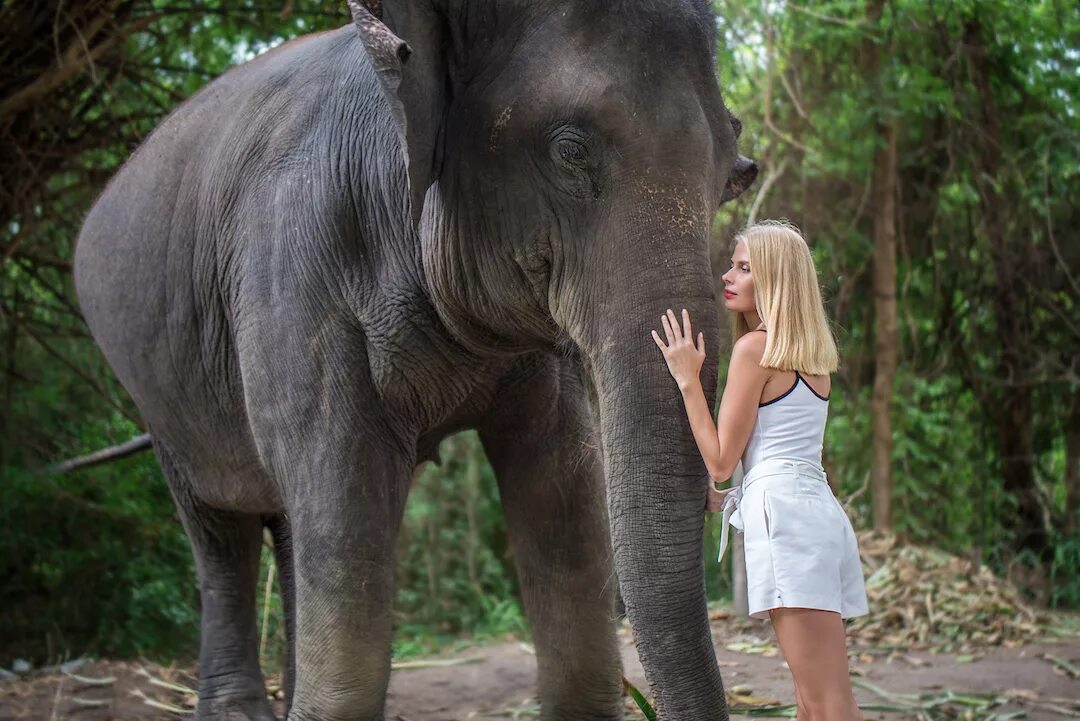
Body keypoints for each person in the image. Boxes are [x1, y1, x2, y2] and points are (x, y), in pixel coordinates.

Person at [650, 220, 869, 721]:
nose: (728, 275)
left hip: (789, 526)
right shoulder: (810, 357)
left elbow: (722, 460)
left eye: (744, 268)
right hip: (816, 518)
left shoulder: (756, 350)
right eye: (733, 264)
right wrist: (732, 498)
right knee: (813, 704)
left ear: (773, 280)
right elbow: (781, 457)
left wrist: (686, 378)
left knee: (830, 706)